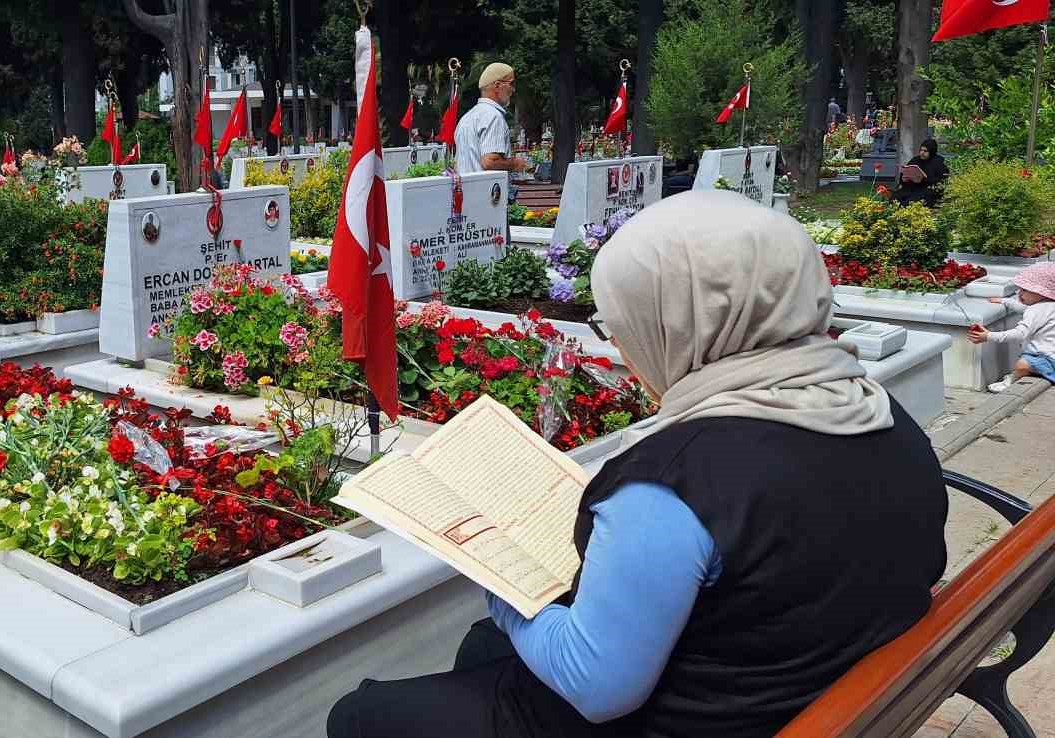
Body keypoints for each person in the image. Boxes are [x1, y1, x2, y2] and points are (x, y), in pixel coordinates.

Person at [326, 190, 946, 738]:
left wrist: (496, 581)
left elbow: (598, 687)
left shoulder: (674, 483)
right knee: (485, 650)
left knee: (360, 714)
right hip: (814, 686)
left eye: (622, 323)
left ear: (684, 321)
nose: (618, 344)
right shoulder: (874, 408)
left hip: (700, 717)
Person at [968, 262, 1055, 393]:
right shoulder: (1047, 306)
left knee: (1022, 365)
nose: (1019, 293)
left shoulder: (1036, 310)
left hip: (1044, 357)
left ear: (1042, 293)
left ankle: (1012, 379)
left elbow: (1020, 333)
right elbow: (1025, 309)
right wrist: (1005, 301)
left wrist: (989, 336)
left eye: (1025, 290)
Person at [454, 63, 529, 176]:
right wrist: (515, 163)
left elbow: (458, 165)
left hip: (465, 191)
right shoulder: (493, 116)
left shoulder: (466, 118)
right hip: (486, 191)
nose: (513, 89)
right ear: (497, 85)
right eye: (511, 83)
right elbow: (489, 162)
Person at [893, 138, 949, 208]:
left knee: (910, 201)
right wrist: (904, 179)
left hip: (928, 190)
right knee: (896, 197)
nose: (922, 153)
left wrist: (923, 179)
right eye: (921, 150)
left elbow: (942, 181)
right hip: (912, 187)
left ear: (931, 151)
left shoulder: (939, 162)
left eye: (925, 151)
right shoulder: (915, 160)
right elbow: (906, 172)